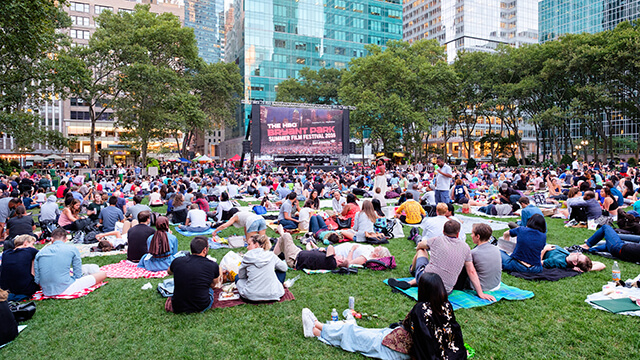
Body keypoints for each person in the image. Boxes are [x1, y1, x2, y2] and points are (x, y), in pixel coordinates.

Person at [301, 273, 466, 360]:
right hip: (401, 339)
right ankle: (319, 328)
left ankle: (317, 329)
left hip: (400, 349)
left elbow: (423, 341)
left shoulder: (421, 309)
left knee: (357, 336)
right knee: (361, 333)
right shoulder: (446, 306)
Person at [388, 220, 495, 301]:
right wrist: (480, 293)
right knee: (434, 270)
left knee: (421, 250)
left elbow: (420, 245)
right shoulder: (466, 247)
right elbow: (471, 271)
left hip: (426, 283)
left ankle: (412, 271)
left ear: (443, 231)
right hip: (446, 291)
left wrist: (423, 247)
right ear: (458, 234)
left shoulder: (436, 240)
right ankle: (411, 282)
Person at [34, 228, 107, 296]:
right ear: (66, 239)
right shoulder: (72, 249)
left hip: (46, 290)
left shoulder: (40, 252)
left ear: (51, 239)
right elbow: (78, 274)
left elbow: (37, 279)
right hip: (66, 288)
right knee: (102, 274)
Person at [168, 236, 221, 313]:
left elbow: (169, 272)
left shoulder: (177, 261)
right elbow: (213, 285)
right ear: (204, 250)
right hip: (201, 305)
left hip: (178, 306)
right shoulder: (213, 265)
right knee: (209, 290)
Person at [235, 234, 287, 301]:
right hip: (273, 294)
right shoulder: (271, 255)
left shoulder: (247, 257)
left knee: (237, 277)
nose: (247, 247)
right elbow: (284, 268)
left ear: (256, 245)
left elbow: (241, 276)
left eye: (249, 244)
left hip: (251, 295)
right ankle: (273, 288)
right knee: (281, 271)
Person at [456, 224, 502, 292]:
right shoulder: (496, 249)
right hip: (496, 284)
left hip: (482, 287)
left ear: (478, 236)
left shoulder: (474, 253)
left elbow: (469, 271)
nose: (471, 236)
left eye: (472, 234)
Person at [272, 232, 347, 270]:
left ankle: (271, 257)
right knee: (284, 240)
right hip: (299, 252)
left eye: (342, 257)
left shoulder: (332, 263)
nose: (339, 255)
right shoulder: (329, 260)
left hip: (294, 258)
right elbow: (311, 252)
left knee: (286, 235)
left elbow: (330, 247)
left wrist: (332, 253)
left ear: (340, 260)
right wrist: (313, 246)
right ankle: (273, 256)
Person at [0, 235, 39, 301]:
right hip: (25, 289)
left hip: (6, 289)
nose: (33, 247)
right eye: (32, 244)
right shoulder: (30, 250)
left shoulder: (6, 253)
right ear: (25, 243)